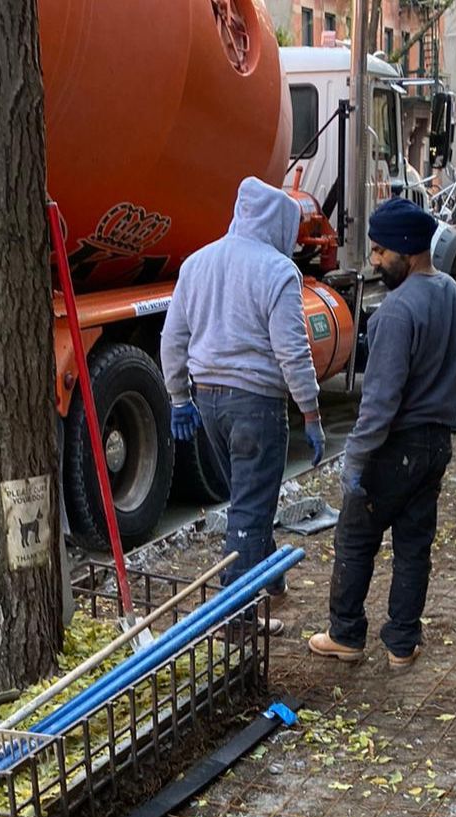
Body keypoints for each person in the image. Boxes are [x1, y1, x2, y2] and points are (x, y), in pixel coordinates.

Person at [308, 198, 456, 669]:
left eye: (381, 251)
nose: (375, 260)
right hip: (437, 442)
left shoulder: (396, 312)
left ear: (409, 250)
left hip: (396, 444)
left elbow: (379, 403)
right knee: (414, 545)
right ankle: (402, 643)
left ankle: (346, 634)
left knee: (355, 537)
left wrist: (355, 461)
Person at [161, 176, 324, 635]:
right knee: (250, 511)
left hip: (208, 401)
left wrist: (178, 397)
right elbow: (292, 351)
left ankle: (268, 575)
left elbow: (172, 337)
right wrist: (311, 412)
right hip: (257, 403)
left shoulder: (197, 263)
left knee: (246, 497)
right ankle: (237, 621)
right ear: (279, 225)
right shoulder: (277, 271)